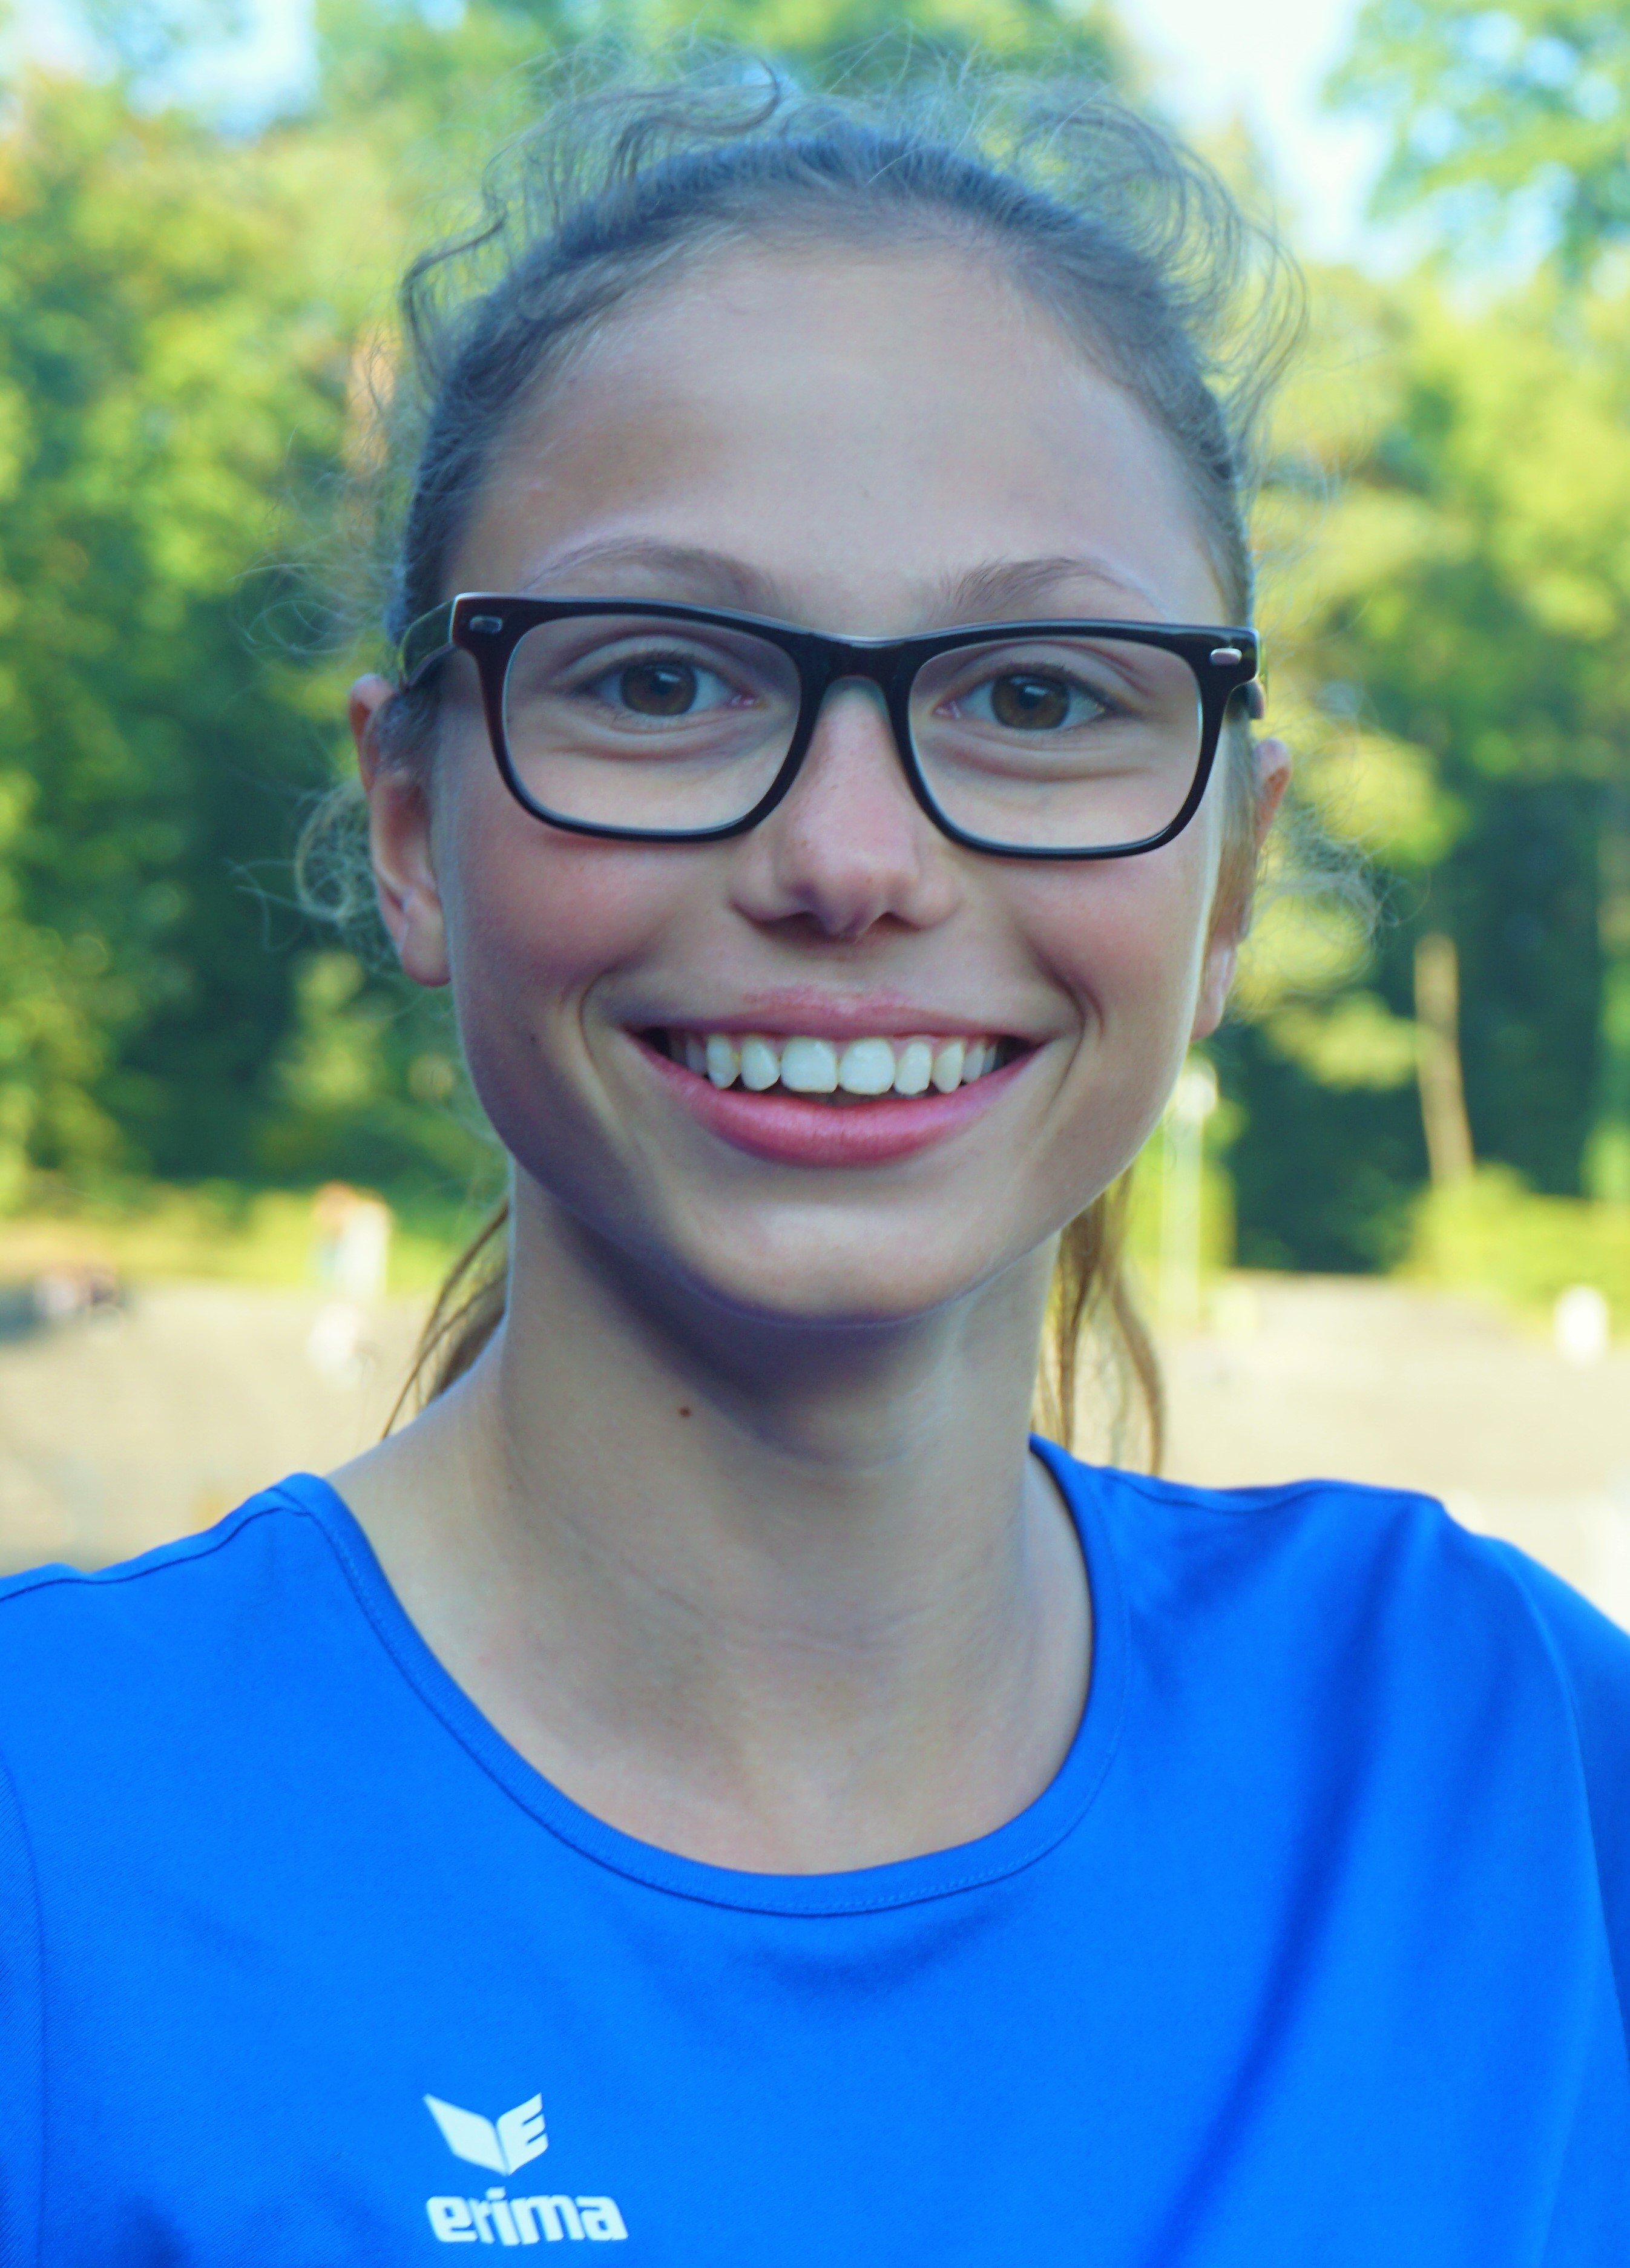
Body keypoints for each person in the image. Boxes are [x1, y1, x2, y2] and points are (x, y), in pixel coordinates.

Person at [1, 70, 1626, 2267]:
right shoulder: (56, 1830)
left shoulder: (1502, 1756)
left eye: (1037, 700)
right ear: (413, 832)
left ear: (1231, 879)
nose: (850, 858)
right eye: (663, 678)